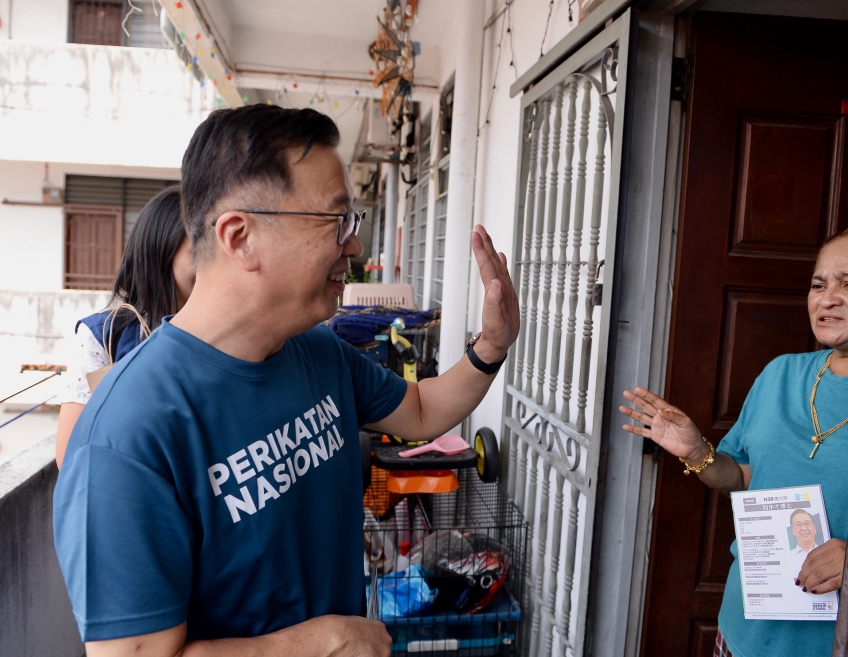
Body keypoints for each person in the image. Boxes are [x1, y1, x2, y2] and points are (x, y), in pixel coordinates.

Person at [52, 104, 519, 657]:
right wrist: (321, 643)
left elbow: (419, 410)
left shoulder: (315, 351)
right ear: (240, 236)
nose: (356, 247)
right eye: (336, 220)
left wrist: (491, 346)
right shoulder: (125, 435)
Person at [620, 223, 848, 657]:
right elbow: (741, 476)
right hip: (743, 631)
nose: (827, 298)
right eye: (818, 284)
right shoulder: (781, 374)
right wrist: (699, 453)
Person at [55, 186, 194, 469]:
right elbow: (70, 457)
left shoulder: (227, 330)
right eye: (199, 250)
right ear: (162, 250)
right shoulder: (102, 336)